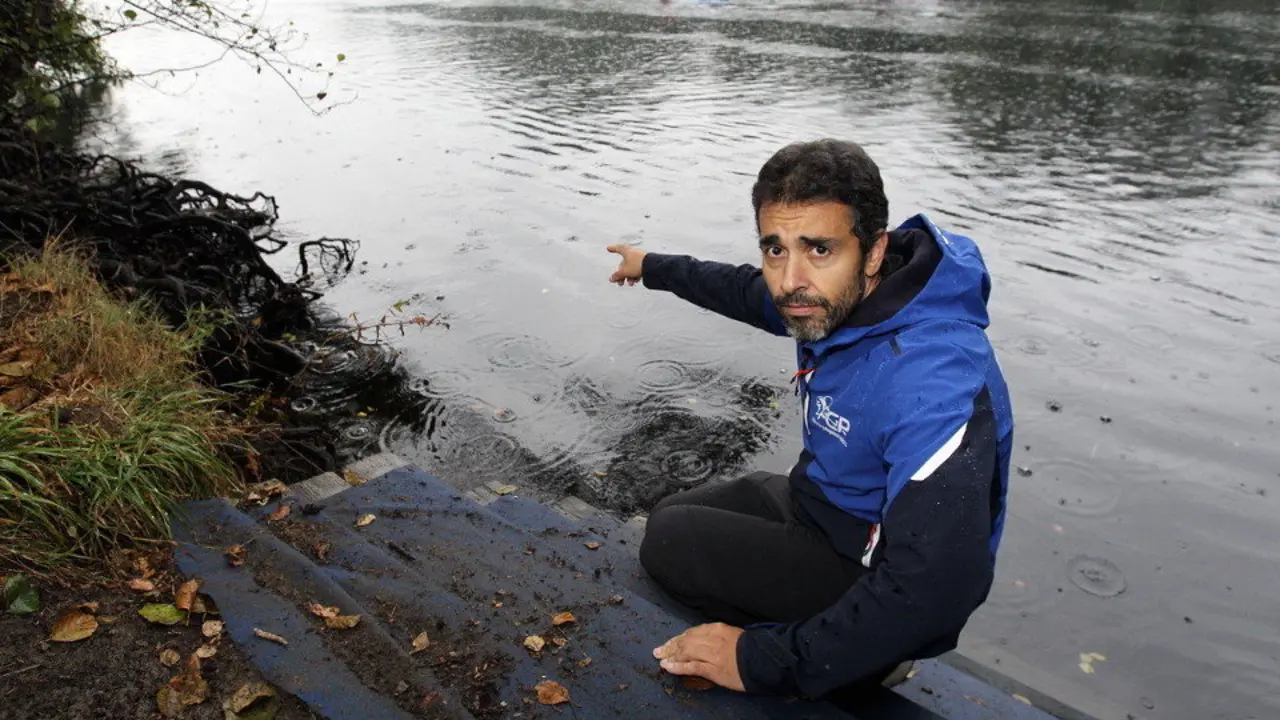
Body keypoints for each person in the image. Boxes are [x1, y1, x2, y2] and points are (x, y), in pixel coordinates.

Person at [605, 139, 1015, 701]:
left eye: (818, 249)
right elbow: (745, 291)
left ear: (873, 252)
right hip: (823, 501)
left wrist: (761, 660)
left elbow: (938, 589)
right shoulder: (836, 298)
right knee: (673, 513)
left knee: (671, 544)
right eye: (775, 250)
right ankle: (845, 643)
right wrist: (653, 267)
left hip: (875, 562)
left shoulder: (932, 382)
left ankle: (865, 660)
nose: (790, 280)